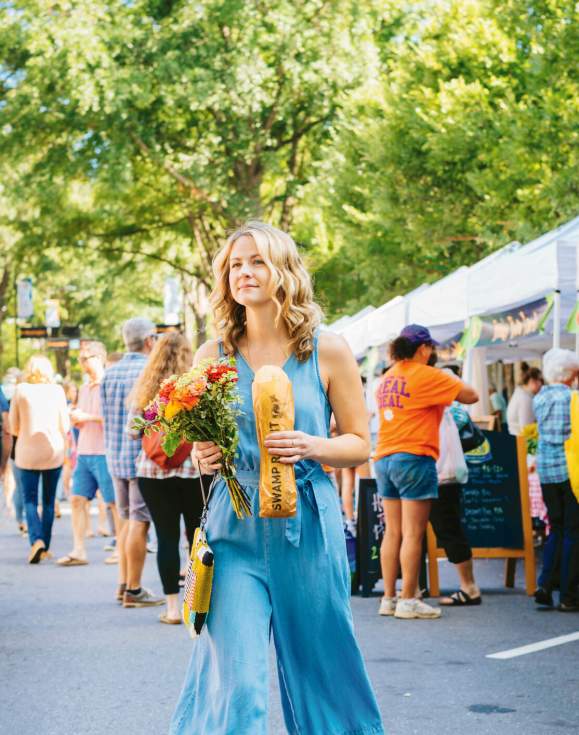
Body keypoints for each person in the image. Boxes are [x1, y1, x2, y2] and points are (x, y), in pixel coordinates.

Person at [171, 222, 383, 735]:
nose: (244, 272)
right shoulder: (211, 355)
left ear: (282, 269)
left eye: (257, 261)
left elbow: (359, 443)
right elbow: (203, 445)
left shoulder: (327, 350)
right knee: (238, 683)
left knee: (323, 668)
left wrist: (312, 445)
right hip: (233, 527)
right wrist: (204, 452)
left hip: (307, 524)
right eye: (235, 264)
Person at [374, 325, 478, 620]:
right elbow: (471, 396)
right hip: (414, 456)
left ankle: (389, 598)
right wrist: (448, 375)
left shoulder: (387, 377)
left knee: (392, 532)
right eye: (430, 348)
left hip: (384, 457)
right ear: (423, 349)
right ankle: (409, 599)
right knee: (413, 533)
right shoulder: (428, 375)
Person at [128, 332, 203, 625]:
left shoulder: (146, 389)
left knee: (166, 538)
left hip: (152, 473)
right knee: (197, 536)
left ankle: (172, 609)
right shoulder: (196, 386)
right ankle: (198, 604)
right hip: (192, 471)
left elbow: (133, 431)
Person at [101, 317, 163, 607]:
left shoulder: (109, 374)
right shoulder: (148, 372)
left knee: (125, 519)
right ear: (149, 340)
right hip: (141, 459)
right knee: (139, 522)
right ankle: (134, 590)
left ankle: (122, 584)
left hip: (114, 457)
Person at [57, 341, 120, 568]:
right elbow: (84, 420)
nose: (82, 363)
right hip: (84, 451)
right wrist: (76, 417)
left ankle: (121, 549)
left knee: (113, 503)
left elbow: (116, 419)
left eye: (85, 358)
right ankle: (78, 549)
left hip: (104, 452)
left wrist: (88, 417)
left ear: (99, 357)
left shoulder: (110, 383)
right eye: (80, 359)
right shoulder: (83, 388)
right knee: (76, 499)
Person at [9, 356, 70, 563]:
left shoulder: (21, 391)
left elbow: (13, 425)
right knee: (49, 501)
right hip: (53, 451)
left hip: (27, 452)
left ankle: (36, 541)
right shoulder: (57, 391)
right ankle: (45, 544)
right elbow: (65, 426)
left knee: (30, 499)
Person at [533, 348, 579, 611]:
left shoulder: (539, 398)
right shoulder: (572, 399)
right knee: (574, 531)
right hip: (570, 472)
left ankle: (545, 584)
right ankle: (569, 595)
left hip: (546, 471)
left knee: (556, 528)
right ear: (570, 374)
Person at [430, 395, 481, 606]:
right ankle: (468, 585)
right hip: (446, 474)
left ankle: (469, 587)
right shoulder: (449, 409)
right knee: (448, 527)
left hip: (442, 475)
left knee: (448, 528)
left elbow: (471, 395)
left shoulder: (440, 407)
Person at [507, 364, 543, 435]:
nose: (541, 384)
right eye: (540, 380)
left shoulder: (521, 394)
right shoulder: (525, 399)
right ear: (532, 381)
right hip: (520, 442)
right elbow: (526, 428)